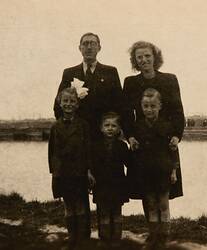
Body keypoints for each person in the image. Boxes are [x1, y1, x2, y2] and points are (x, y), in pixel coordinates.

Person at [123, 40, 184, 200]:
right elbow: (127, 114)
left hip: (165, 140)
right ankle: (151, 225)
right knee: (146, 193)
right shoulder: (130, 83)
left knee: (164, 194)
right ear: (135, 60)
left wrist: (177, 136)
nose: (144, 60)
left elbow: (178, 111)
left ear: (155, 57)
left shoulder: (169, 80)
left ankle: (163, 225)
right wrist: (130, 136)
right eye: (139, 57)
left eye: (147, 55)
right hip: (141, 140)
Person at [129, 88, 179, 249]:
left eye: (152, 106)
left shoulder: (167, 126)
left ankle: (163, 237)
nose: (149, 110)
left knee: (163, 204)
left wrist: (173, 171)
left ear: (160, 106)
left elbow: (174, 151)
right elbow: (134, 154)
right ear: (141, 107)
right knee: (150, 203)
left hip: (163, 171)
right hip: (145, 172)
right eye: (145, 106)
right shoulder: (137, 126)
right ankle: (153, 235)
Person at [48, 87, 95, 250]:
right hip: (63, 172)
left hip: (79, 171)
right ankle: (72, 237)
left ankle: (82, 238)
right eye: (65, 101)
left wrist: (89, 171)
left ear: (77, 105)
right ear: (60, 104)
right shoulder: (55, 127)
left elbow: (89, 150)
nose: (68, 104)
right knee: (68, 206)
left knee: (81, 204)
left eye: (72, 101)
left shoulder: (83, 125)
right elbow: (52, 153)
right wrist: (55, 173)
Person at [53, 32, 123, 139]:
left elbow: (119, 104)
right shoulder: (69, 73)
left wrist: (115, 130)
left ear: (99, 48)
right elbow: (58, 105)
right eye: (85, 44)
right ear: (79, 48)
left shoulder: (110, 72)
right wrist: (67, 129)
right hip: (77, 135)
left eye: (93, 43)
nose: (89, 47)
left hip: (103, 135)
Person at [91, 112, 129, 248]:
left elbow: (130, 164)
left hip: (117, 185)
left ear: (119, 129)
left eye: (114, 125)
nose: (110, 128)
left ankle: (116, 238)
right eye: (107, 125)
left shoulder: (122, 146)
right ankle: (104, 238)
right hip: (101, 185)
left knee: (116, 211)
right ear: (101, 128)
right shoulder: (95, 146)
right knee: (103, 212)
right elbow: (91, 164)